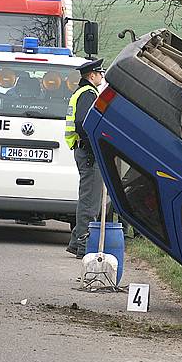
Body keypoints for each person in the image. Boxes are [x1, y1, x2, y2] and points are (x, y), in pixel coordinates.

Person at [65, 58, 106, 258]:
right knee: (90, 201)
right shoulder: (88, 94)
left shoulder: (82, 92)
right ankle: (83, 245)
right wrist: (95, 145)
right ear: (92, 76)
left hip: (82, 151)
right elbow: (83, 123)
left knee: (89, 198)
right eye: (100, 73)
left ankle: (76, 241)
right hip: (88, 152)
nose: (102, 76)